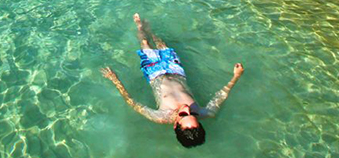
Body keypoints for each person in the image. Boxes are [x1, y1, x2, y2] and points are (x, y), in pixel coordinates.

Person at [100, 13, 244, 148]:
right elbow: (222, 94)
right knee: (160, 43)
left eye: (183, 115)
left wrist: (115, 80)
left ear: (175, 125)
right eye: (192, 115)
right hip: (176, 70)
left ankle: (139, 26)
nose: (187, 109)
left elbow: (132, 102)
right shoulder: (205, 112)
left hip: (154, 72)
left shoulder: (160, 116)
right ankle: (150, 30)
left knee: (144, 43)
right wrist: (236, 76)